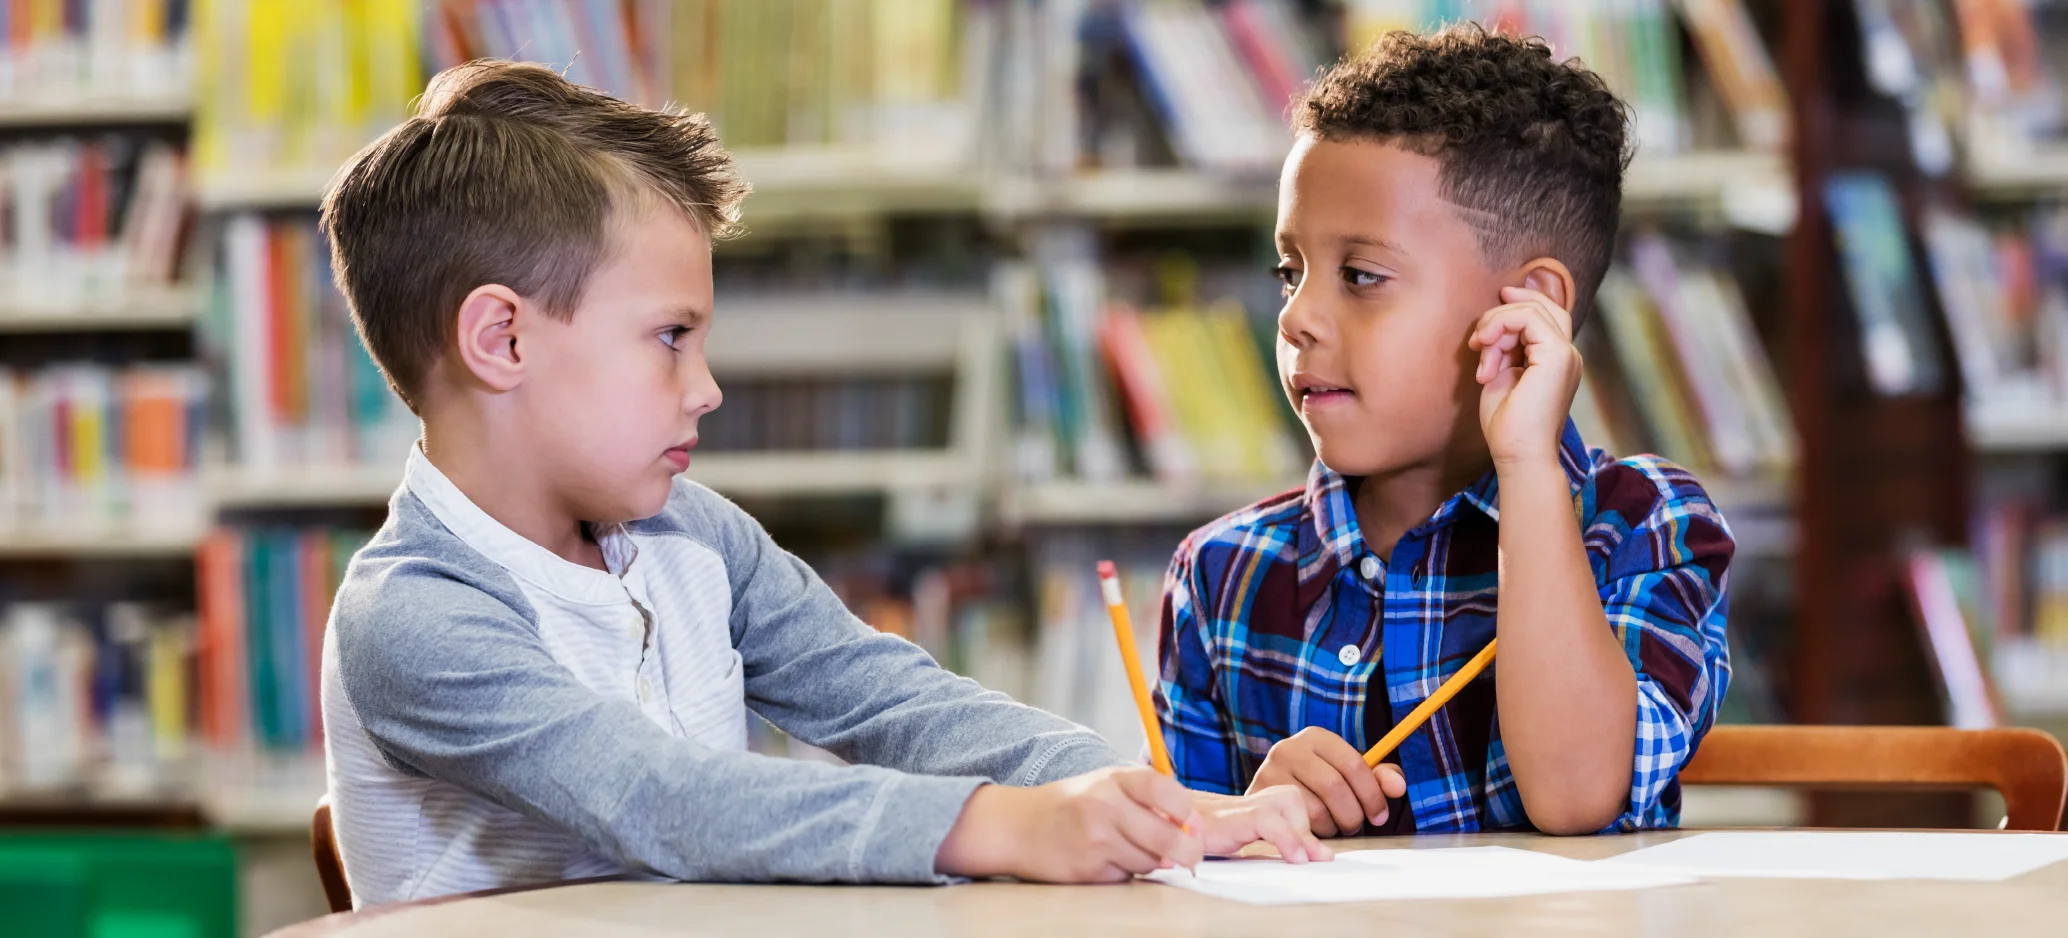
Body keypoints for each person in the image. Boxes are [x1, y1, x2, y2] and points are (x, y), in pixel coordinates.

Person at [317, 60, 1323, 908]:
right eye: (669, 337)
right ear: (502, 338)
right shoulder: (413, 614)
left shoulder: (693, 534)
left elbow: (886, 695)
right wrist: (1003, 823)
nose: (705, 388)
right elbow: (661, 796)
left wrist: (1146, 800)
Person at [1155, 25, 1733, 838]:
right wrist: (1243, 816)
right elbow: (1170, 877)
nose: (1296, 317)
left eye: (1361, 276)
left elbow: (1575, 797)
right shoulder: (1221, 575)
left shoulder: (1647, 524)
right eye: (1291, 272)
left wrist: (1528, 459)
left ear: (1524, 309)